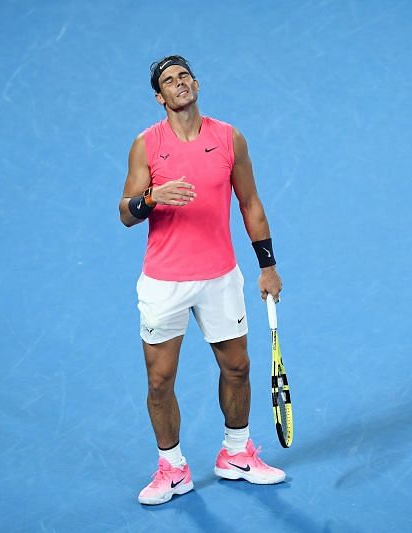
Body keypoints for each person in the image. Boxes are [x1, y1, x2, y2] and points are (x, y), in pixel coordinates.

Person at [118, 55, 285, 506]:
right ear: (160, 96)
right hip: (164, 282)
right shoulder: (146, 145)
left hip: (220, 278)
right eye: (169, 81)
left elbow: (250, 203)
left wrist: (267, 266)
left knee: (238, 367)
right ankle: (171, 467)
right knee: (160, 381)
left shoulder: (229, 138)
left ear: (195, 83)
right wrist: (153, 197)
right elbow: (125, 213)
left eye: (184, 76)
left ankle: (235, 453)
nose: (179, 84)